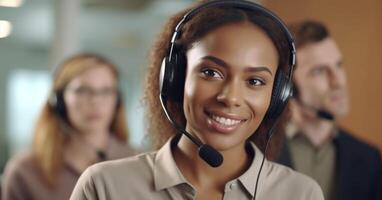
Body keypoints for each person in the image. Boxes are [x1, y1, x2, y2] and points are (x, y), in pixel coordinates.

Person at [70, 1, 324, 199]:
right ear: (175, 78)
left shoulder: (301, 194)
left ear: (278, 95)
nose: (231, 98)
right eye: (211, 73)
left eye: (255, 81)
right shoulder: (105, 187)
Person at [277, 20, 382, 200]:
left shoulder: (369, 159)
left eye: (338, 65)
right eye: (320, 71)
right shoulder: (258, 151)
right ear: (289, 86)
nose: (338, 81)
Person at [1, 54, 137, 200]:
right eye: (82, 90)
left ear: (117, 101)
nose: (95, 101)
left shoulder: (137, 163)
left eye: (106, 91)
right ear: (58, 101)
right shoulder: (24, 171)